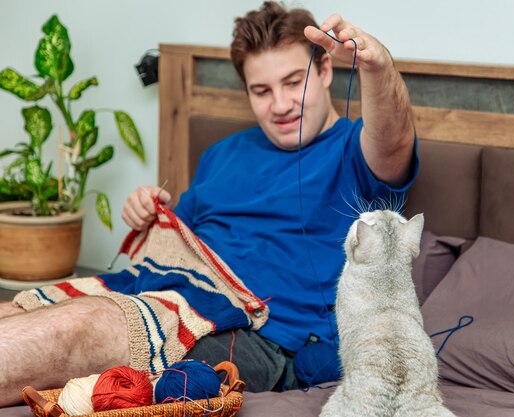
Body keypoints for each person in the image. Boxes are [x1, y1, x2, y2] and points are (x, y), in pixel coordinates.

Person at [0, 1, 417, 406]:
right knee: (17, 310)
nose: (281, 104)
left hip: (255, 331)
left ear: (325, 69)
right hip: (168, 291)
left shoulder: (354, 150)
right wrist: (145, 212)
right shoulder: (222, 154)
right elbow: (177, 247)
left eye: (294, 82)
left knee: (79, 327)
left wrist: (377, 68)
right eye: (261, 90)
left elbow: (395, 141)